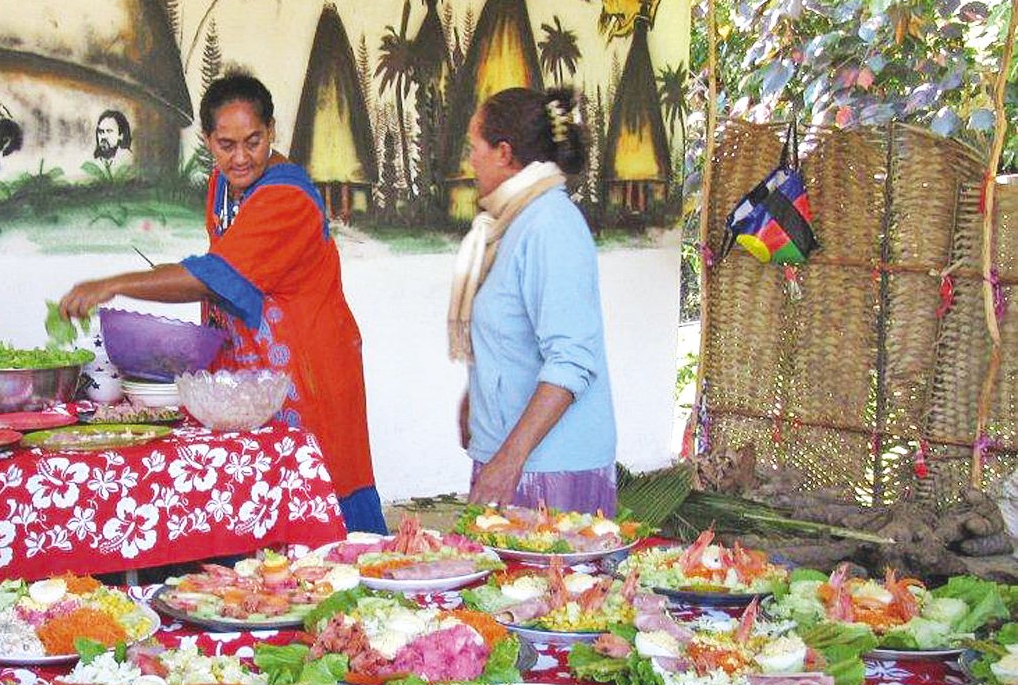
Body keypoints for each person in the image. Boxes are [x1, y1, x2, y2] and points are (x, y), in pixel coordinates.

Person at [60, 71, 384, 532]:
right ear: (208, 140)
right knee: (260, 504)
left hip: (308, 373)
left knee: (321, 500)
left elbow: (213, 276)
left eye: (254, 141)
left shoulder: (285, 199)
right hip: (257, 374)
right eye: (226, 144)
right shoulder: (222, 185)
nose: (241, 157)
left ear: (272, 131)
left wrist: (113, 284)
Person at [450, 86, 617, 514]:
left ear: (504, 154)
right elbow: (507, 332)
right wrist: (476, 397)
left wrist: (510, 457)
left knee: (551, 584)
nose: (470, 161)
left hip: (547, 468)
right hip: (509, 455)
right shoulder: (509, 223)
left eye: (475, 148)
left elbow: (572, 360)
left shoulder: (550, 225)